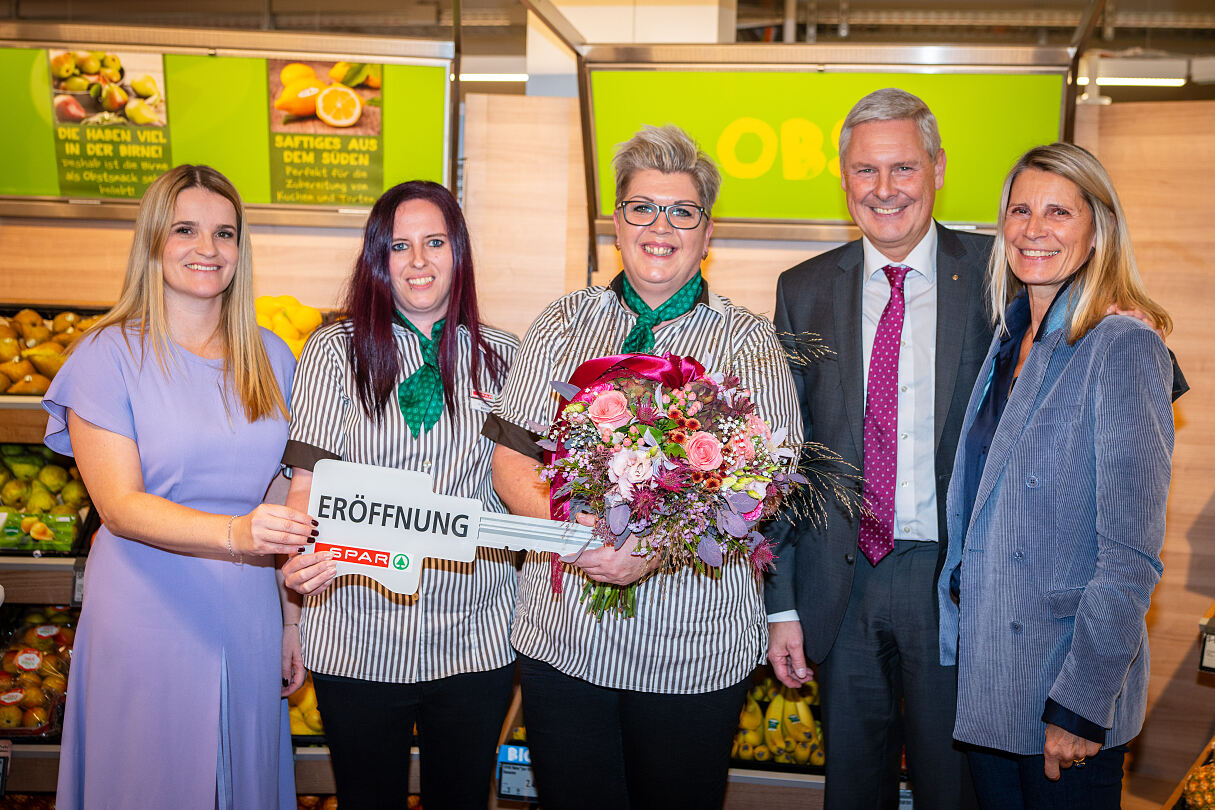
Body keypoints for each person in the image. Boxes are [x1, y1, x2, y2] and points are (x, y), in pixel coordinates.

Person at [484, 124, 802, 810]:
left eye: (681, 211)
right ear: (616, 223)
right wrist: (580, 535)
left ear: (705, 231)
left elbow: (763, 484)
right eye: (642, 208)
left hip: (691, 647)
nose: (661, 227)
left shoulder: (744, 339)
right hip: (563, 645)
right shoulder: (562, 324)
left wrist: (651, 548)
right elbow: (511, 460)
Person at [44, 164, 309, 809]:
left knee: (239, 778)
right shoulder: (107, 355)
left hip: (247, 611)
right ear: (153, 241)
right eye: (186, 229)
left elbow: (282, 495)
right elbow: (120, 505)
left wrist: (292, 619)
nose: (207, 249)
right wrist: (237, 533)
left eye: (225, 233)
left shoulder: (273, 357)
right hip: (145, 611)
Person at [765, 88, 988, 809]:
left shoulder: (998, 274)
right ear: (842, 178)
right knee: (850, 791)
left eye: (901, 169)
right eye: (865, 171)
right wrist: (781, 606)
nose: (883, 190)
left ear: (937, 168)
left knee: (949, 789)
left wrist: (1119, 307)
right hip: (843, 581)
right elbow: (784, 457)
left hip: (950, 583)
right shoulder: (802, 289)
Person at [937, 142, 1173, 806]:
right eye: (1019, 210)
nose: (1032, 229)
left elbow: (1128, 556)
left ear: (1096, 229)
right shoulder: (1007, 339)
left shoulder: (1122, 346)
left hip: (1062, 689)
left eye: (1057, 213)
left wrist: (1079, 704)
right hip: (992, 680)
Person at [279, 180, 519, 809]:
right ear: (376, 260)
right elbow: (307, 482)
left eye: (434, 242)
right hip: (356, 633)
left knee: (461, 799)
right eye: (399, 246)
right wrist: (296, 559)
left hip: (475, 635)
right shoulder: (335, 352)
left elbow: (522, 488)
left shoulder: (505, 359)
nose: (418, 262)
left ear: (458, 253)